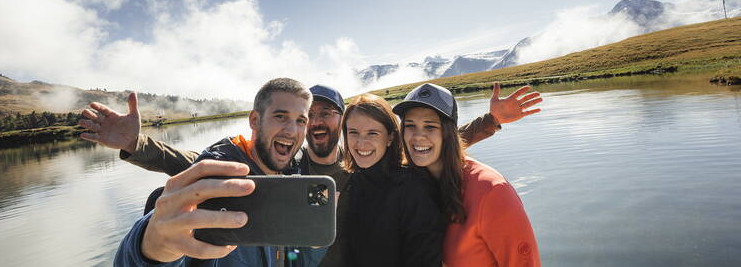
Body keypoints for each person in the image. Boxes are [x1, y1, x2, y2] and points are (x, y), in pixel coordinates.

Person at [80, 82, 542, 266]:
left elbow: (430, 145)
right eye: (305, 116)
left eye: (319, 116)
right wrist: (138, 147)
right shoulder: (294, 170)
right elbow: (199, 170)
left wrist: (490, 123)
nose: (311, 124)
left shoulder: (381, 169)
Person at [112, 77, 313, 267]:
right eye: (280, 116)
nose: (292, 130)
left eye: (301, 121)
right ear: (254, 120)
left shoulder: (286, 179)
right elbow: (146, 250)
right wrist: (150, 249)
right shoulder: (212, 180)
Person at [393, 83, 542, 267]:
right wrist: (491, 119)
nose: (418, 136)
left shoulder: (492, 191)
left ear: (447, 133)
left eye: (430, 126)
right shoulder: (410, 180)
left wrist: (492, 119)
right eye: (410, 125)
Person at [335, 93, 444, 267]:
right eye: (353, 132)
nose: (361, 143)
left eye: (372, 133)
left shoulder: (413, 188)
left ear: (390, 137)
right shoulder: (353, 181)